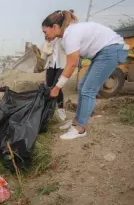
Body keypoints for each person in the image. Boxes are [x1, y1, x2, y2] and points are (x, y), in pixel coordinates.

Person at [42, 10, 128, 140]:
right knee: (83, 85)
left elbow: (71, 65)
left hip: (111, 50)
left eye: (45, 31)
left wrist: (56, 88)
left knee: (88, 90)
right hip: (102, 52)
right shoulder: (67, 35)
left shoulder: (70, 35)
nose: (45, 35)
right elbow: (73, 61)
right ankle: (76, 121)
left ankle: (80, 129)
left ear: (54, 27)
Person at [40, 37, 67, 121]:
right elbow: (44, 55)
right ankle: (49, 110)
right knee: (49, 87)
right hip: (51, 65)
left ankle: (60, 109)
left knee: (57, 87)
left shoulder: (63, 38)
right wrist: (48, 42)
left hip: (61, 65)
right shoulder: (49, 40)